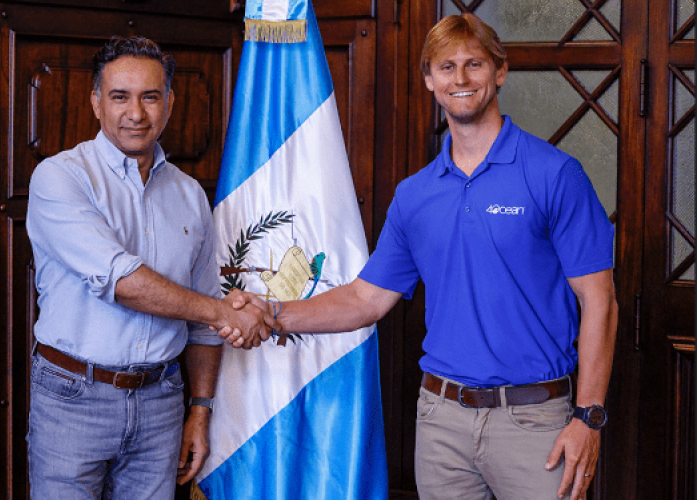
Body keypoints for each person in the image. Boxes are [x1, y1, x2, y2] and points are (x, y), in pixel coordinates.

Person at [224, 14, 618, 500]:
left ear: (500, 72)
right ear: (429, 79)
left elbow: (600, 302)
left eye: (474, 64)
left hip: (535, 421)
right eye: (446, 67)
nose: (461, 78)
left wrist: (588, 417)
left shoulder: (554, 174)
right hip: (440, 422)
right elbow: (365, 300)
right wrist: (271, 312)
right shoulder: (414, 195)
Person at [25, 36, 274, 499]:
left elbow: (202, 323)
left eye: (150, 97)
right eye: (120, 96)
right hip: (73, 397)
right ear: (96, 102)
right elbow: (123, 282)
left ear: (170, 103)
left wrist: (199, 409)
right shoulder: (60, 177)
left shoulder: (189, 194)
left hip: (162, 401)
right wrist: (224, 313)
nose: (136, 113)